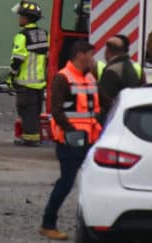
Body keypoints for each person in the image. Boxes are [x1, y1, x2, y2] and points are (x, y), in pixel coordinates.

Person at [40, 41, 102, 241]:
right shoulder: (62, 78)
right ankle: (48, 224)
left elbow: (102, 103)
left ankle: (95, 225)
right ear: (79, 55)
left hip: (90, 140)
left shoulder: (90, 78)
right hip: (70, 141)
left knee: (93, 182)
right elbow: (56, 110)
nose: (93, 60)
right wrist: (72, 132)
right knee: (66, 182)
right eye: (91, 55)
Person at [10, 0, 48, 147]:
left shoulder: (22, 36)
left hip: (25, 82)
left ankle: (30, 139)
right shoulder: (45, 34)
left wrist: (11, 76)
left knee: (26, 111)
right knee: (36, 111)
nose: (19, 19)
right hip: (39, 82)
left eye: (21, 16)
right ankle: (33, 136)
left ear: (26, 18)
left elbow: (17, 60)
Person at [97, 36, 142, 117]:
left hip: (115, 116)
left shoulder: (113, 70)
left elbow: (104, 100)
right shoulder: (129, 66)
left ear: (108, 52)